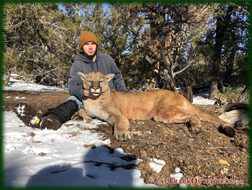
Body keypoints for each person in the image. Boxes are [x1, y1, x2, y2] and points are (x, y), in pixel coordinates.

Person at [15, 31, 127, 130]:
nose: (90, 47)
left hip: (110, 98)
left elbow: (117, 76)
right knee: (73, 101)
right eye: (86, 44)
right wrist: (85, 93)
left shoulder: (106, 59)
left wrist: (123, 93)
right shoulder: (77, 65)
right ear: (81, 46)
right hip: (88, 98)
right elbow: (73, 86)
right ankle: (49, 119)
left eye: (93, 43)